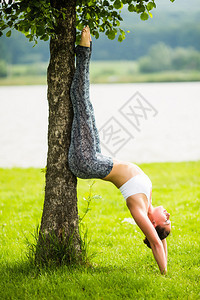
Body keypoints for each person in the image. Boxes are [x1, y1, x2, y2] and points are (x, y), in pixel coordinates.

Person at [68, 26, 171, 275]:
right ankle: (84, 48)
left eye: (166, 219)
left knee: (80, 98)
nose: (169, 213)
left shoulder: (138, 207)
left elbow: (156, 241)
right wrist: (163, 235)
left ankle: (84, 48)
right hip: (96, 156)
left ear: (153, 222)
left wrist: (164, 272)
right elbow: (161, 239)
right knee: (85, 102)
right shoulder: (147, 201)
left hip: (88, 160)